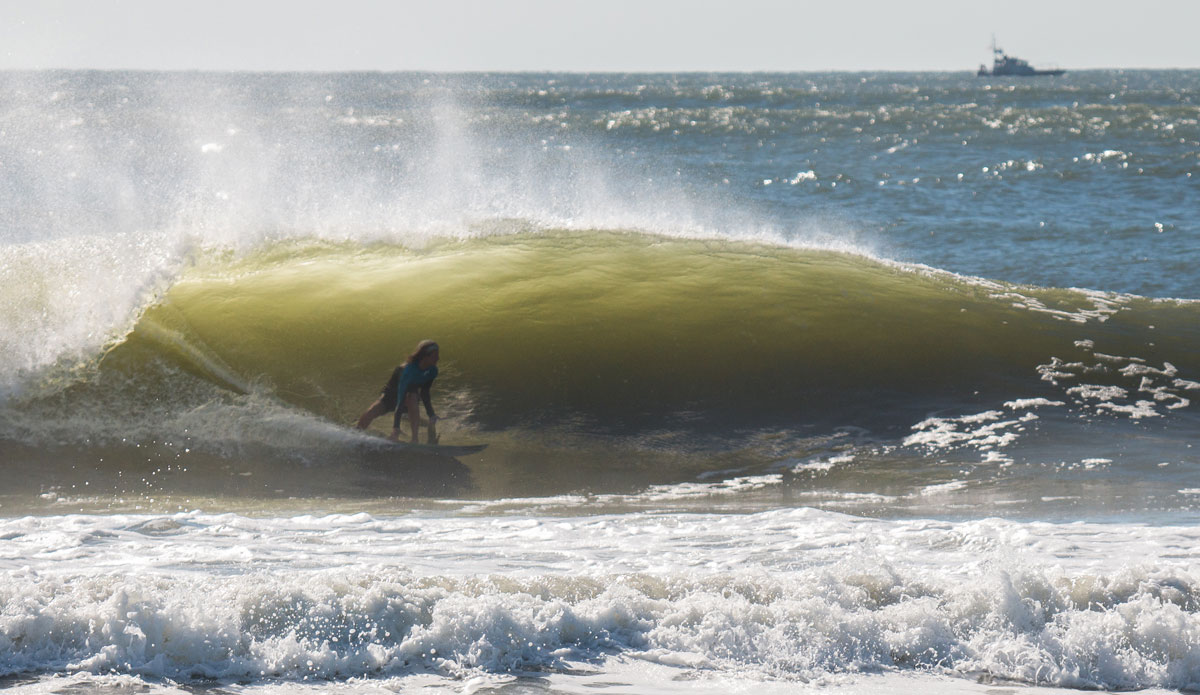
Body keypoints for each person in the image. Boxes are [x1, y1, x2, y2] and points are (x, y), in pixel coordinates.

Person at [356, 339, 440, 443]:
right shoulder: (407, 370)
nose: (438, 358)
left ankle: (414, 439)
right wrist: (395, 429)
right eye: (435, 356)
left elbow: (425, 393)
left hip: (408, 401)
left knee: (413, 396)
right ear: (425, 356)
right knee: (371, 412)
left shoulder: (432, 371)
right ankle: (355, 435)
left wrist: (431, 414)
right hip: (391, 396)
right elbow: (400, 400)